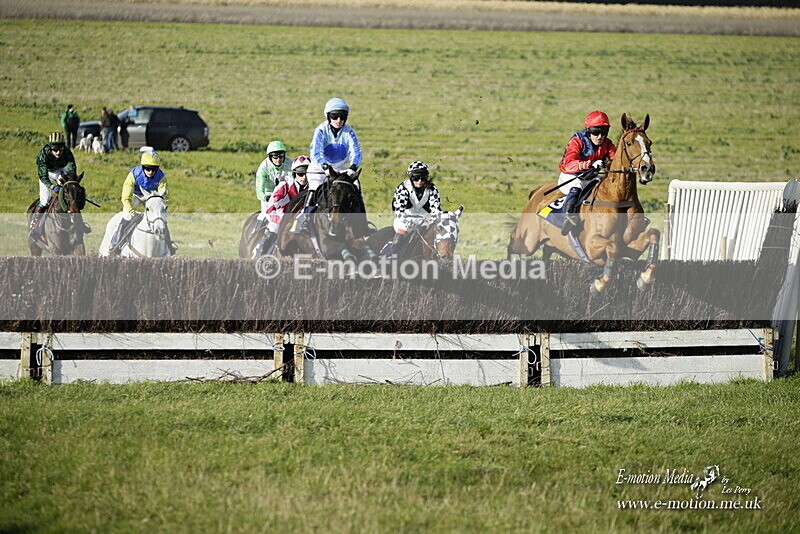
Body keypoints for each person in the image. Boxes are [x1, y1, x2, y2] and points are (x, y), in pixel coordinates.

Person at [295, 97, 362, 232]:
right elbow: (316, 152)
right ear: (328, 117)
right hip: (320, 168)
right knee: (314, 186)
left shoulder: (349, 132)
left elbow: (356, 151)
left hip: (340, 169)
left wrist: (353, 167)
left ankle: (360, 222)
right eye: (334, 116)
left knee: (355, 185)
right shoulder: (320, 130)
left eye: (342, 117)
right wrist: (325, 166)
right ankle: (305, 218)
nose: (338, 120)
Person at [557, 110, 616, 236]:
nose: (600, 136)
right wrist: (589, 163)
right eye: (596, 131)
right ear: (589, 131)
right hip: (571, 176)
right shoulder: (577, 140)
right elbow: (568, 165)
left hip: (591, 176)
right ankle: (568, 217)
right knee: (577, 185)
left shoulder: (607, 143)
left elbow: (616, 160)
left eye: (604, 132)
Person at [108, 151, 174, 255]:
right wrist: (130, 209)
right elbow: (126, 197)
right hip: (136, 196)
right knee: (127, 215)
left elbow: (164, 195)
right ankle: (115, 243)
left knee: (161, 219)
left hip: (152, 197)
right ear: (143, 167)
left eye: (154, 169)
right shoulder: (134, 174)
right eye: (148, 168)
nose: (151, 172)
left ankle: (169, 245)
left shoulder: (161, 177)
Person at [382, 161, 442, 256]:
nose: (420, 181)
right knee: (402, 230)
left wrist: (432, 220)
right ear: (411, 177)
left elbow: (436, 208)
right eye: (416, 178)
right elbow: (398, 210)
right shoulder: (402, 188)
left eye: (423, 178)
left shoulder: (432, 189)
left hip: (424, 221)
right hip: (405, 221)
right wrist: (409, 222)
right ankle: (391, 255)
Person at [255, 155, 311, 256]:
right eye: (300, 174)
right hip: (280, 216)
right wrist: (283, 220)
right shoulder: (284, 185)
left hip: (302, 219)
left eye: (307, 174)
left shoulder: (312, 187)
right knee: (273, 229)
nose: (304, 177)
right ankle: (261, 255)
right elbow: (271, 207)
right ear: (294, 174)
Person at [29, 132, 77, 239]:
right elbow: (43, 175)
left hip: (60, 171)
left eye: (60, 149)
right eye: (55, 150)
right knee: (45, 200)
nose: (58, 152)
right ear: (50, 149)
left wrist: (69, 182)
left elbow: (72, 167)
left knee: (71, 196)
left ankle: (78, 223)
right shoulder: (43, 155)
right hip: (47, 174)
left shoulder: (67, 152)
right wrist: (52, 186)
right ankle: (34, 225)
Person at [255, 140, 292, 223]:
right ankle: (257, 232)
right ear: (270, 157)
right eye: (275, 157)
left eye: (281, 156)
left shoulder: (289, 164)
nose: (278, 160)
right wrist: (266, 197)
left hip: (285, 196)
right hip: (269, 195)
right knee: (264, 215)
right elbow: (259, 190)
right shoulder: (263, 167)